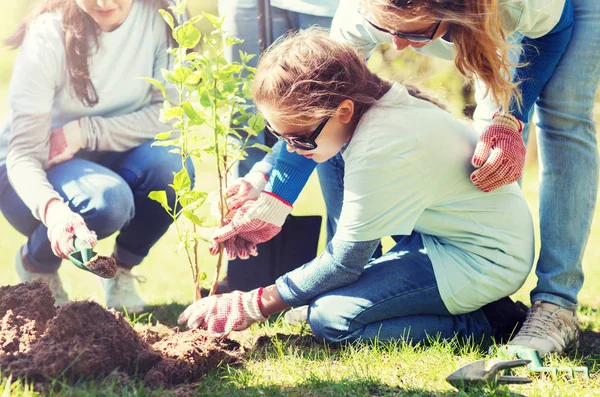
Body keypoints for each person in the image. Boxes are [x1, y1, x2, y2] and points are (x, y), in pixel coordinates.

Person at [211, 0, 600, 356]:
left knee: (564, 117)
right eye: (387, 30)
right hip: (458, 238)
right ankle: (370, 287)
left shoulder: (511, 7)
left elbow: (552, 31)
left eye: (414, 33)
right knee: (338, 150)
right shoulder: (361, 16)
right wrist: (272, 189)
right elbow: (317, 108)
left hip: (554, 16)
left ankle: (555, 303)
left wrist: (510, 118)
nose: (396, 46)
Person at [178, 29, 534, 345]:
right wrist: (264, 185)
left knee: (333, 319)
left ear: (344, 110)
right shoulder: (372, 109)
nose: (290, 149)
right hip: (447, 240)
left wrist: (254, 303)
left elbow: (345, 262)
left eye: (299, 139)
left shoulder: (380, 146)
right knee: (324, 299)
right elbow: (311, 142)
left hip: (484, 259)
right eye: (278, 135)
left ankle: (488, 322)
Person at [0, 0, 193, 312]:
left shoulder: (165, 17)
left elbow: (169, 115)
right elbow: (22, 155)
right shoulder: (48, 33)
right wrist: (54, 212)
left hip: (114, 152)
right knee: (107, 203)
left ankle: (121, 271)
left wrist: (85, 132)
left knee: (173, 168)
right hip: (34, 170)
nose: (103, 3)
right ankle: (35, 263)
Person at [209, 0, 340, 295]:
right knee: (249, 117)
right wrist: (263, 177)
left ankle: (346, 258)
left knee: (329, 115)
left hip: (324, 7)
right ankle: (247, 269)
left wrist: (276, 196)